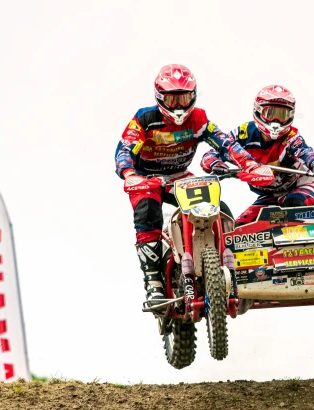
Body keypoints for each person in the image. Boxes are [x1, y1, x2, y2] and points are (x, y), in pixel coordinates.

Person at [115, 64, 273, 305]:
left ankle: (232, 271)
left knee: (220, 209)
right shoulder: (145, 119)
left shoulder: (198, 118)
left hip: (180, 176)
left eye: (184, 98)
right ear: (160, 97)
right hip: (147, 178)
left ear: (193, 96)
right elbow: (125, 148)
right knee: (148, 212)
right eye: (172, 99)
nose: (179, 105)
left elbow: (224, 143)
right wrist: (128, 173)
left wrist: (249, 164)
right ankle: (154, 281)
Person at [199, 85, 314, 226]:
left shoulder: (291, 138)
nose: (276, 122)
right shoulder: (243, 133)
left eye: (282, 115)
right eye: (270, 113)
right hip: (270, 196)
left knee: (290, 209)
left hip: (299, 189)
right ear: (258, 111)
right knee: (240, 228)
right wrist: (216, 164)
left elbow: (305, 151)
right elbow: (212, 152)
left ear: (291, 116)